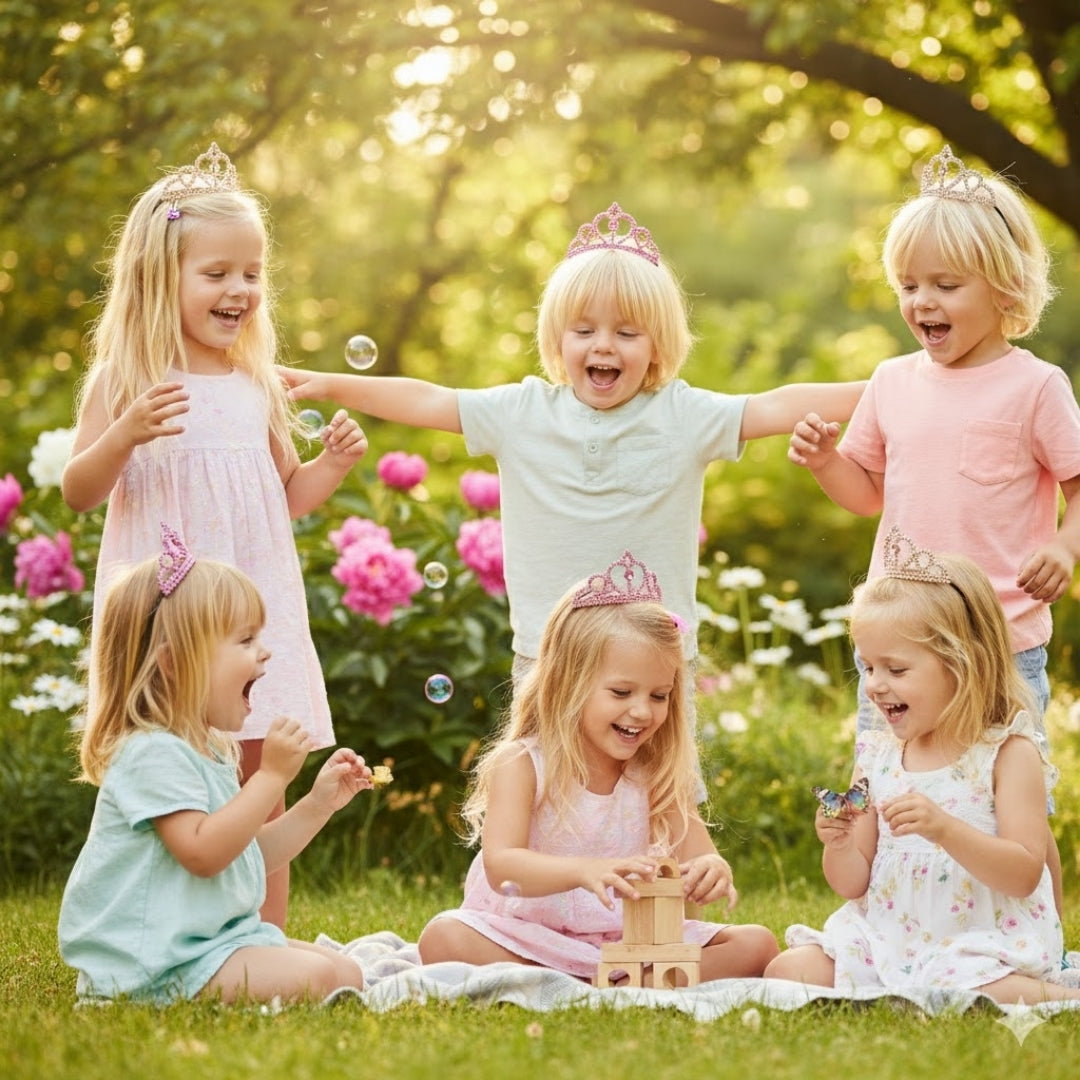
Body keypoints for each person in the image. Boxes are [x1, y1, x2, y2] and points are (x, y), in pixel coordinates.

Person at [280, 202, 865, 682]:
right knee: (547, 803)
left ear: (658, 345)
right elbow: (429, 399)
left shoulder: (685, 414)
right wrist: (333, 384)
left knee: (660, 805)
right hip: (549, 658)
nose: (602, 346)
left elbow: (778, 404)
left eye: (626, 332)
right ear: (556, 341)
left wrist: (887, 385)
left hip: (655, 663)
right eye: (583, 331)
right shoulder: (521, 411)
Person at [60, 144, 368, 928]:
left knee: (264, 765)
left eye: (253, 274)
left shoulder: (256, 385)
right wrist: (124, 433)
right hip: (173, 616)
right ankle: (172, 924)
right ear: (161, 278)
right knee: (179, 767)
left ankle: (264, 936)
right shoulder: (126, 381)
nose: (241, 290)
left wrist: (329, 467)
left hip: (254, 609)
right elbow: (77, 490)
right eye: (218, 272)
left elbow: (285, 498)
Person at [788, 145, 1080, 912]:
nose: (923, 302)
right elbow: (864, 492)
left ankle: (1039, 943)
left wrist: (1063, 543)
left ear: (1006, 287)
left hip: (1002, 645)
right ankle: (892, 924)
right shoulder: (890, 382)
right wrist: (825, 461)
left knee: (1013, 796)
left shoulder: (1037, 386)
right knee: (885, 783)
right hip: (897, 643)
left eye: (946, 285)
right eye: (909, 286)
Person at [416, 551, 780, 983]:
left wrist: (712, 872)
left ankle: (597, 983)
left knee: (758, 944)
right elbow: (502, 865)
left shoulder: (653, 774)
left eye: (659, 696)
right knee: (443, 936)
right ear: (568, 684)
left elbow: (701, 853)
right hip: (528, 937)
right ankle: (595, 983)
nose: (643, 711)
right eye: (622, 692)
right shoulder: (524, 764)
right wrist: (586, 871)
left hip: (627, 941)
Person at [58, 526, 373, 1004]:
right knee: (321, 977)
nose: (263, 651)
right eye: (245, 640)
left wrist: (316, 805)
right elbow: (203, 854)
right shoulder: (151, 752)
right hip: (152, 964)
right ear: (174, 663)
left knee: (345, 970)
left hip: (202, 943)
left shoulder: (205, 747)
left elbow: (242, 857)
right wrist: (269, 778)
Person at [764, 538, 1080, 1005]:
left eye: (895, 668)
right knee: (787, 971)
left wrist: (946, 830)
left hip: (979, 944)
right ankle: (906, 984)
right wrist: (840, 844)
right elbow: (853, 882)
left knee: (955, 986)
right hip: (888, 938)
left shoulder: (1007, 753)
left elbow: (1024, 874)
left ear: (963, 664)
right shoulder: (878, 753)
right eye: (868, 666)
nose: (874, 685)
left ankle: (1053, 994)